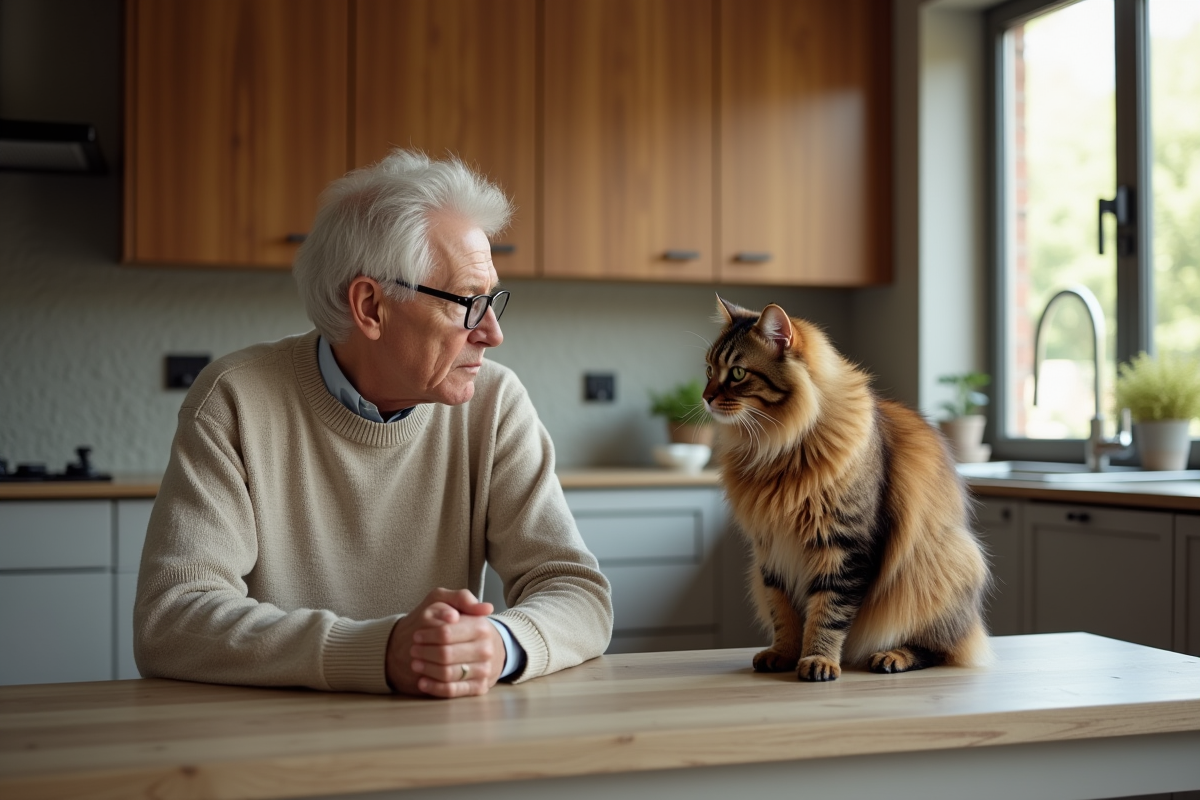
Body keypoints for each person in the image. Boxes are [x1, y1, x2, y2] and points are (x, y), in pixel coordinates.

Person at [134, 150, 613, 698]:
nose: (492, 333)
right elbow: (171, 619)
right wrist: (378, 652)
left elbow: (578, 594)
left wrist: (499, 643)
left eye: (491, 301)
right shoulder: (236, 399)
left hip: (444, 728)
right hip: (275, 732)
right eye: (467, 302)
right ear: (370, 307)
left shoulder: (495, 403)